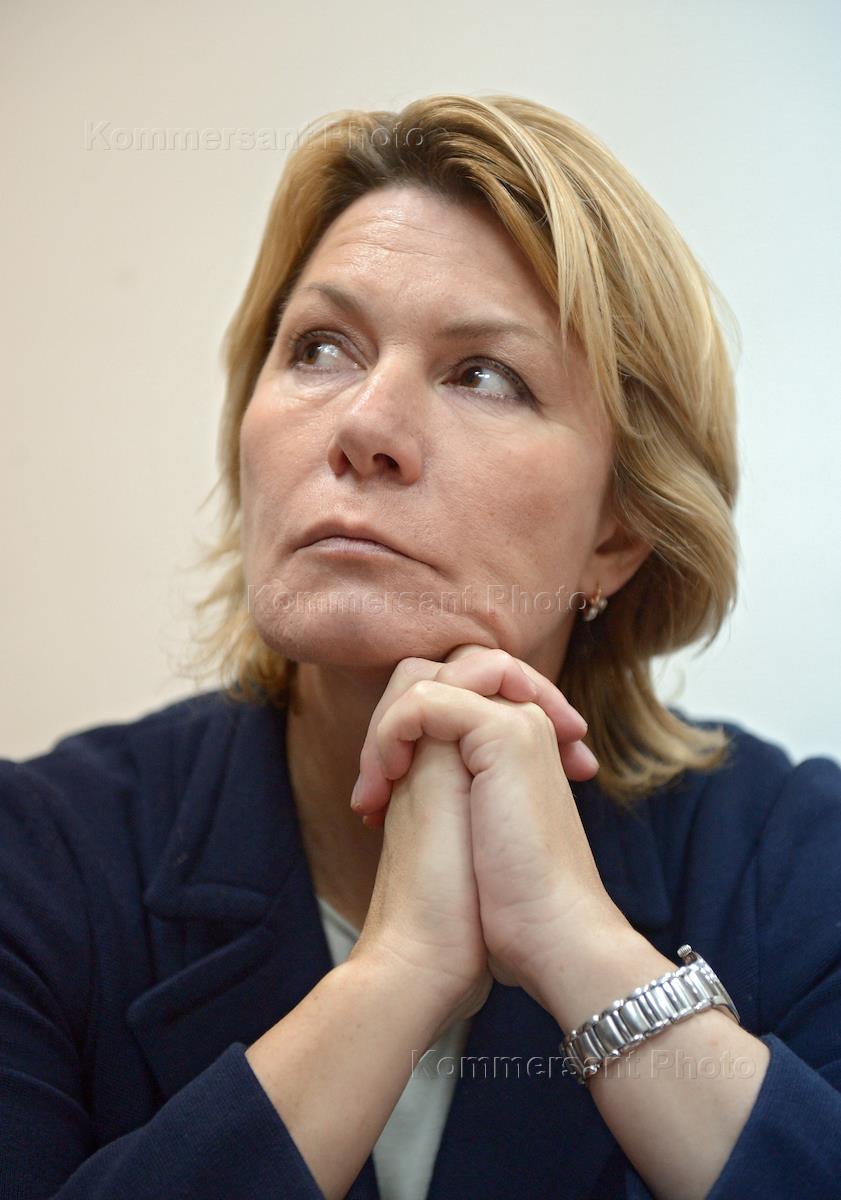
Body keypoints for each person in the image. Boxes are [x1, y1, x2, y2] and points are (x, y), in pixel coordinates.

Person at [1, 92, 839, 1200]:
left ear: (619, 530)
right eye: (321, 349)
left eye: (482, 373)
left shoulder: (791, 858)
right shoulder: (38, 857)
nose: (362, 428)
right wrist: (395, 977)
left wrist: (581, 948)